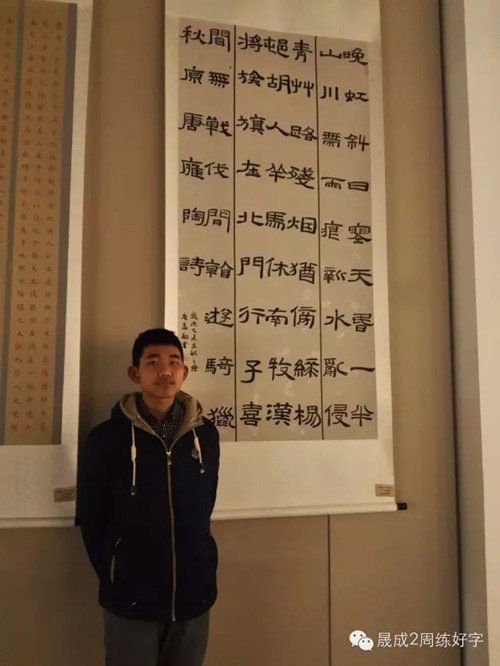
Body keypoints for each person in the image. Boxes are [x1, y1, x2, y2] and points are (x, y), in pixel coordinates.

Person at [76, 328, 220, 666]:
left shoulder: (205, 435)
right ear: (135, 373)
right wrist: (114, 571)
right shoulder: (106, 438)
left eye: (174, 362)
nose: (165, 371)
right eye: (153, 362)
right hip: (130, 596)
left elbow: (206, 502)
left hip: (193, 593)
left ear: (184, 371)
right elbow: (92, 516)